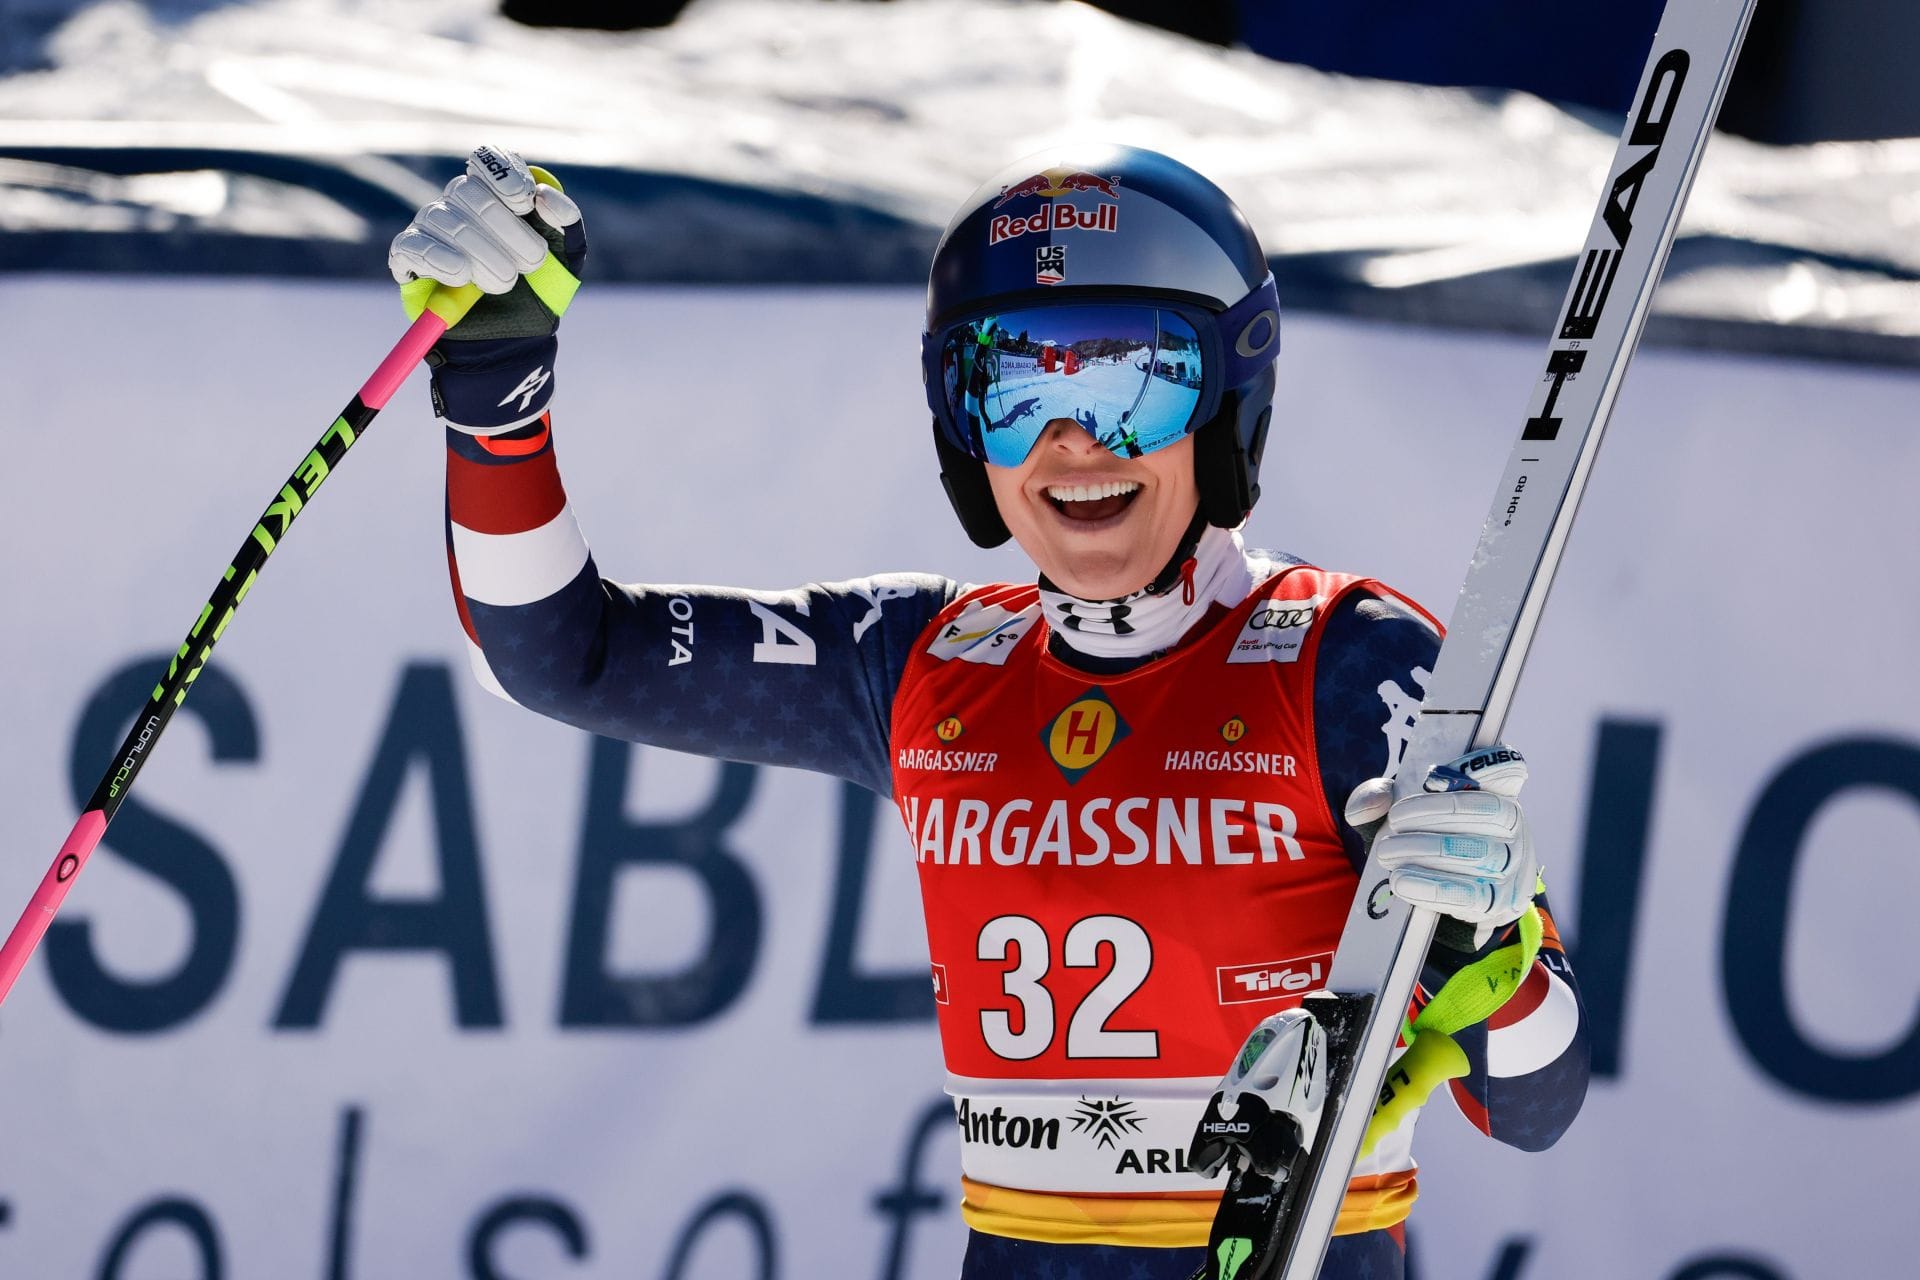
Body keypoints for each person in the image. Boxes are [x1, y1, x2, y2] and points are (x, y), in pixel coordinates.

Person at [389, 144, 1590, 1280]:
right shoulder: (920, 659)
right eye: (1012, 388)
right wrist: (497, 394)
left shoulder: (1349, 661)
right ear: (963, 432)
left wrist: (1497, 957)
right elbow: (565, 653)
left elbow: (1534, 1103)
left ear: (1227, 396)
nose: (1070, 442)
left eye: (1128, 380)